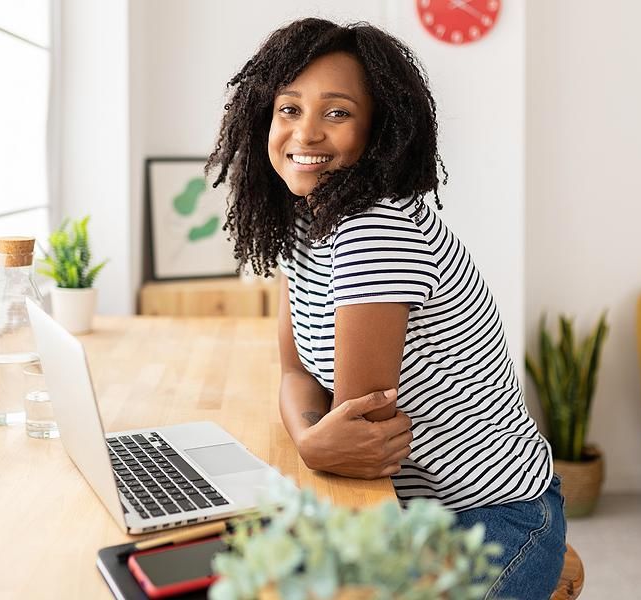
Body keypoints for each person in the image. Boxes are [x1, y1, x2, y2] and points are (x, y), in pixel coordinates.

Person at [207, 17, 566, 600]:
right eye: (289, 109)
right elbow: (297, 375)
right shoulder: (306, 221)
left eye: (337, 112)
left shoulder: (375, 230)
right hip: (401, 510)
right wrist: (309, 438)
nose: (306, 133)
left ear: (378, 129)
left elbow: (359, 439)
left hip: (491, 522)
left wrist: (315, 438)